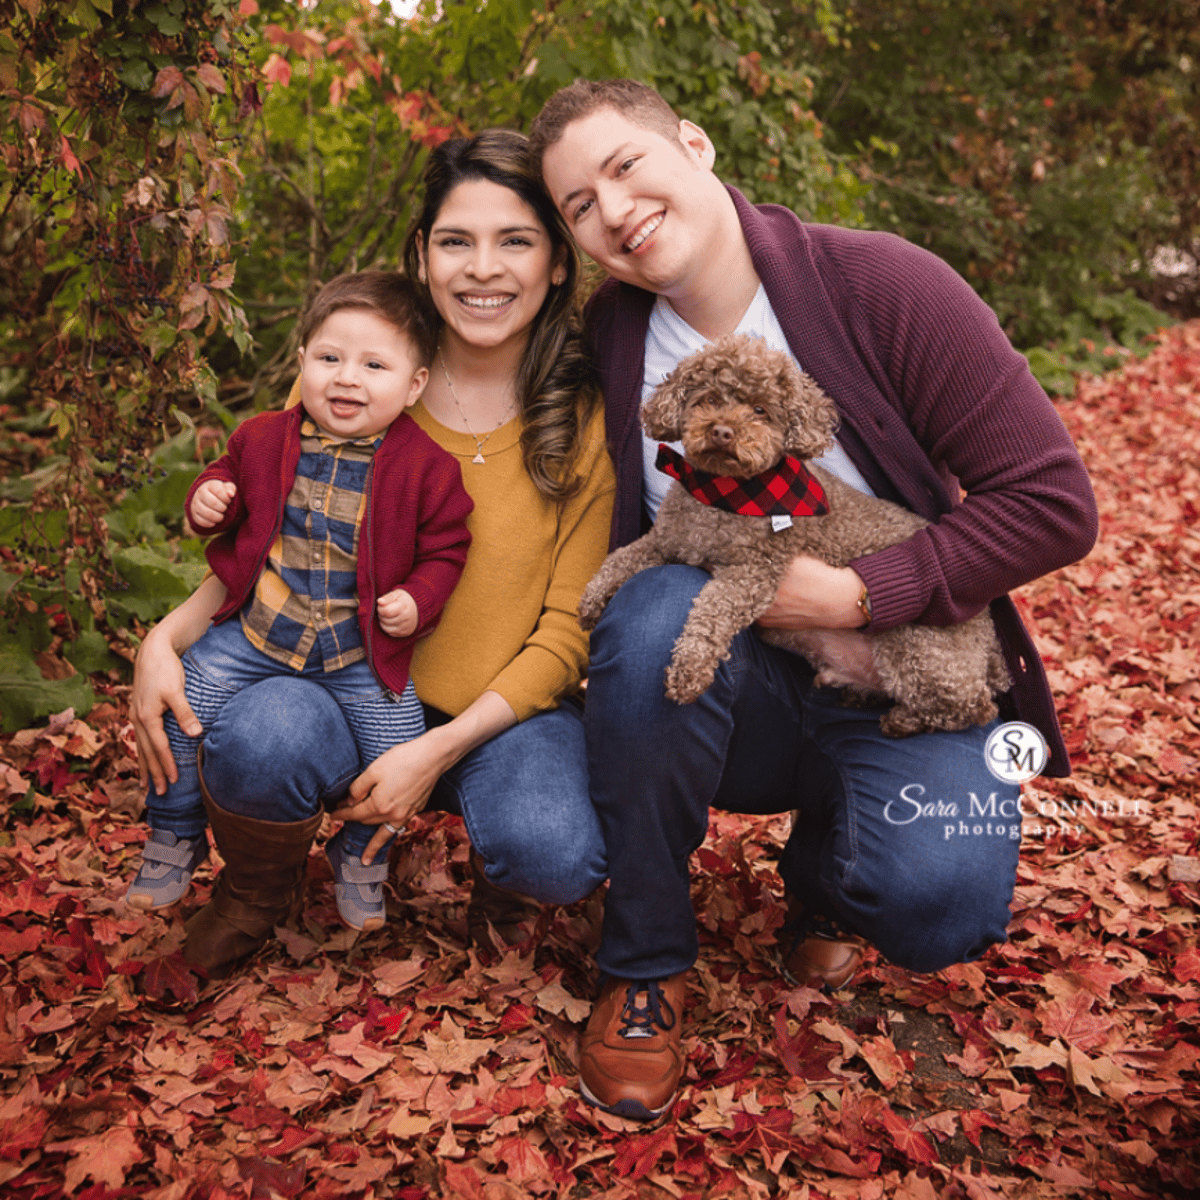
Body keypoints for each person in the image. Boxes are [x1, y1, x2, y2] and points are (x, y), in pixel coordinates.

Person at [528, 78, 1099, 1121]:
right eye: (579, 204)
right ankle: (645, 962)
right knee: (649, 613)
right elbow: (464, 383)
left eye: (626, 166)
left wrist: (860, 595)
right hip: (731, 682)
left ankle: (832, 870)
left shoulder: (883, 283)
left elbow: (1054, 503)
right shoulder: (611, 335)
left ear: (695, 145)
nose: (613, 210)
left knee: (938, 906)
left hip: (901, 667)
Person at [129, 130, 614, 978]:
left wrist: (435, 751)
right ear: (422, 255)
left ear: (559, 263)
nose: (483, 269)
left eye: (515, 241)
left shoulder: (581, 418)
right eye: (456, 241)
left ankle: (502, 883)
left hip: (496, 716)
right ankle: (256, 889)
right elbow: (274, 545)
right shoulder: (356, 372)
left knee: (554, 848)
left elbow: (569, 629)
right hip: (336, 682)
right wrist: (163, 639)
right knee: (259, 735)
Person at [124, 272, 474, 933]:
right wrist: (207, 500)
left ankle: (361, 854)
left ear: (415, 384)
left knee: (399, 745)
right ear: (303, 360)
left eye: (374, 366)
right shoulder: (262, 438)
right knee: (179, 707)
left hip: (358, 652)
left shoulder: (428, 469)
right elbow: (224, 482)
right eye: (330, 358)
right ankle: (174, 830)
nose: (347, 379)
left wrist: (417, 599)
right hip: (257, 633)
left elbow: (447, 549)